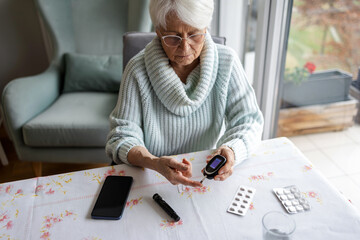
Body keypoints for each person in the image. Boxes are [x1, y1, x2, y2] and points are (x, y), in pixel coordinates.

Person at [106, 0, 264, 187]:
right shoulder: (137, 70)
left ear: (205, 29)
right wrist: (154, 162)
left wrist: (232, 149)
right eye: (173, 37)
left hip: (207, 173)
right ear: (158, 32)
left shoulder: (227, 62)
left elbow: (249, 120)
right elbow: (121, 136)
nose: (185, 48)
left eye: (195, 35)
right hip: (152, 175)